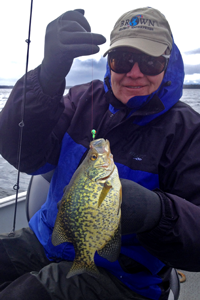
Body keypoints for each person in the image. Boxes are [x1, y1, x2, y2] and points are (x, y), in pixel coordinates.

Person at [0, 6, 200, 300]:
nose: (134, 72)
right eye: (123, 60)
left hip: (123, 276)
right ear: (109, 63)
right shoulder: (83, 99)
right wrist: (45, 80)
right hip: (45, 238)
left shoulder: (188, 131)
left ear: (167, 64)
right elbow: (24, 155)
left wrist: (157, 213)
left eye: (150, 62)